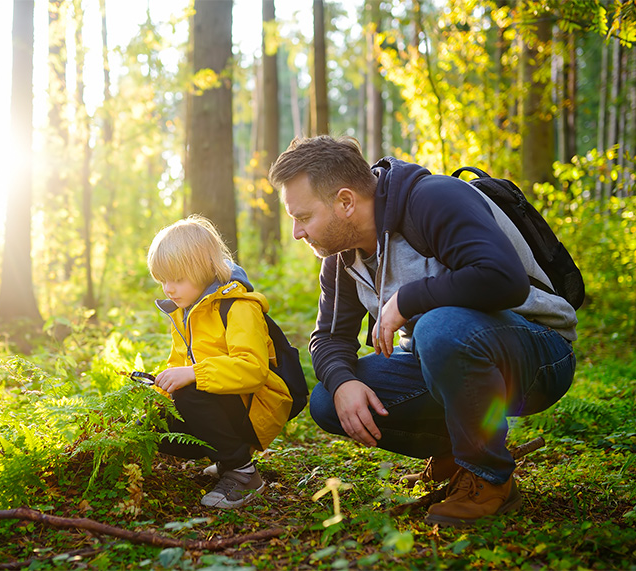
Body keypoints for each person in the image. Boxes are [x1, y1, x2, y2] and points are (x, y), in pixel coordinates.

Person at [268, 135, 577, 527]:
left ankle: (488, 476)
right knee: (328, 400)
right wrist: (343, 381)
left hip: (539, 351)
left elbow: (505, 279)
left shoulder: (433, 199)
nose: (297, 232)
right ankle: (458, 451)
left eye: (303, 217)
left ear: (345, 202)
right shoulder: (342, 258)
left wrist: (408, 300)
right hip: (448, 357)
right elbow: (328, 338)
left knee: (438, 327)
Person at [146, 215, 293, 509]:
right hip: (227, 400)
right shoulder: (185, 312)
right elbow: (180, 364)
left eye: (177, 279)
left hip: (257, 404)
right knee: (156, 426)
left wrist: (192, 375)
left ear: (203, 270)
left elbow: (252, 370)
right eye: (163, 280)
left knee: (189, 392)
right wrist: (156, 398)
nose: (169, 289)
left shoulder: (239, 308)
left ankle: (243, 473)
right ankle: (227, 459)